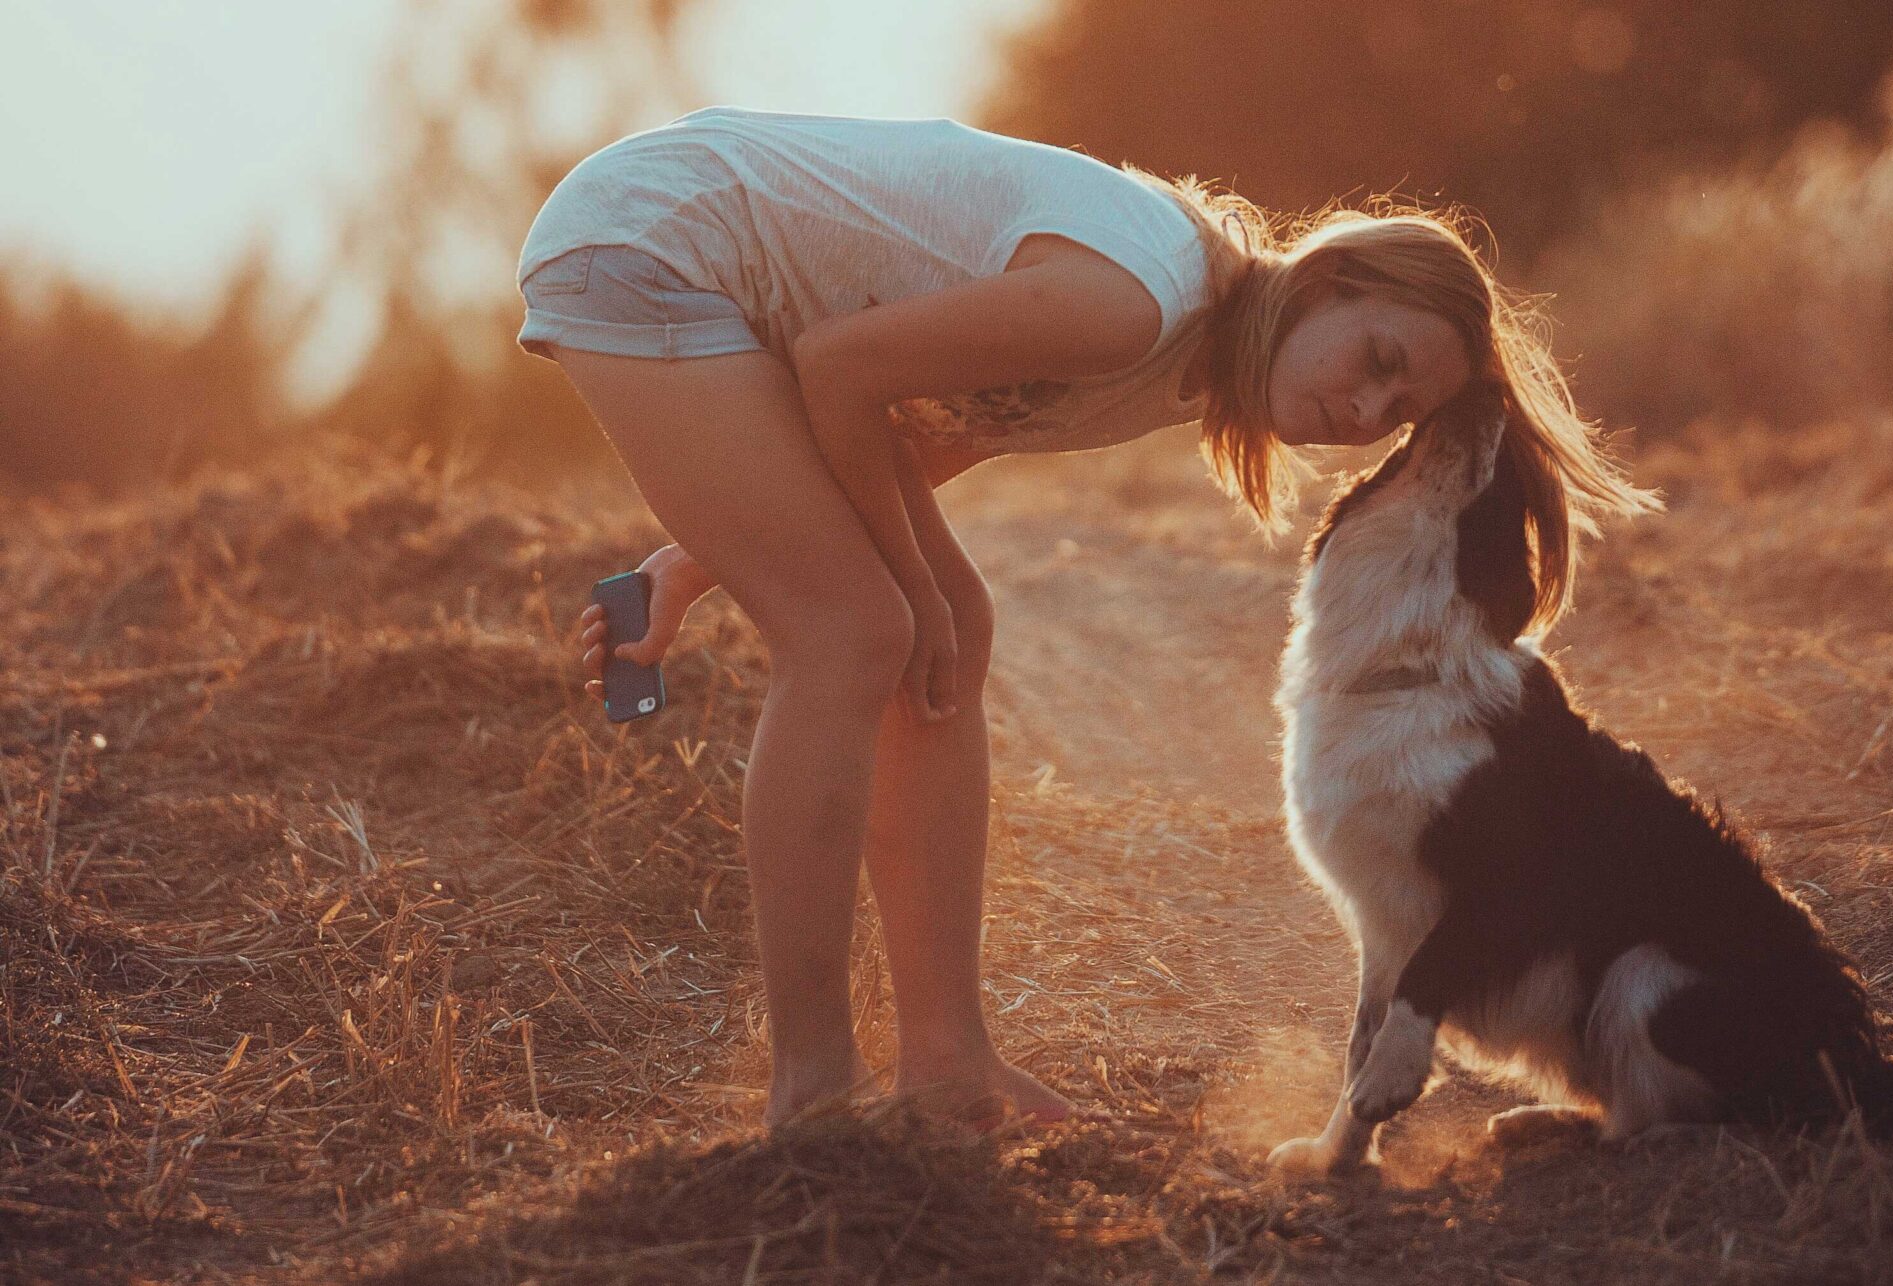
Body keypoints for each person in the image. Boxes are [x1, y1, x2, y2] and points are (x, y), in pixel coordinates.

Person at [523, 106, 1656, 1129]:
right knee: (859, 631)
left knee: (937, 641)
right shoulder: (1137, 300)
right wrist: (918, 585)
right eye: (1376, 358)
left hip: (708, 270)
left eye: (1395, 411)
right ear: (1327, 280)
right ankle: (814, 1088)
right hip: (650, 241)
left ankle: (946, 1058)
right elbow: (840, 366)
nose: (1362, 408)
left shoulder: (1176, 354)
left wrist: (702, 557)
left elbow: (930, 429)